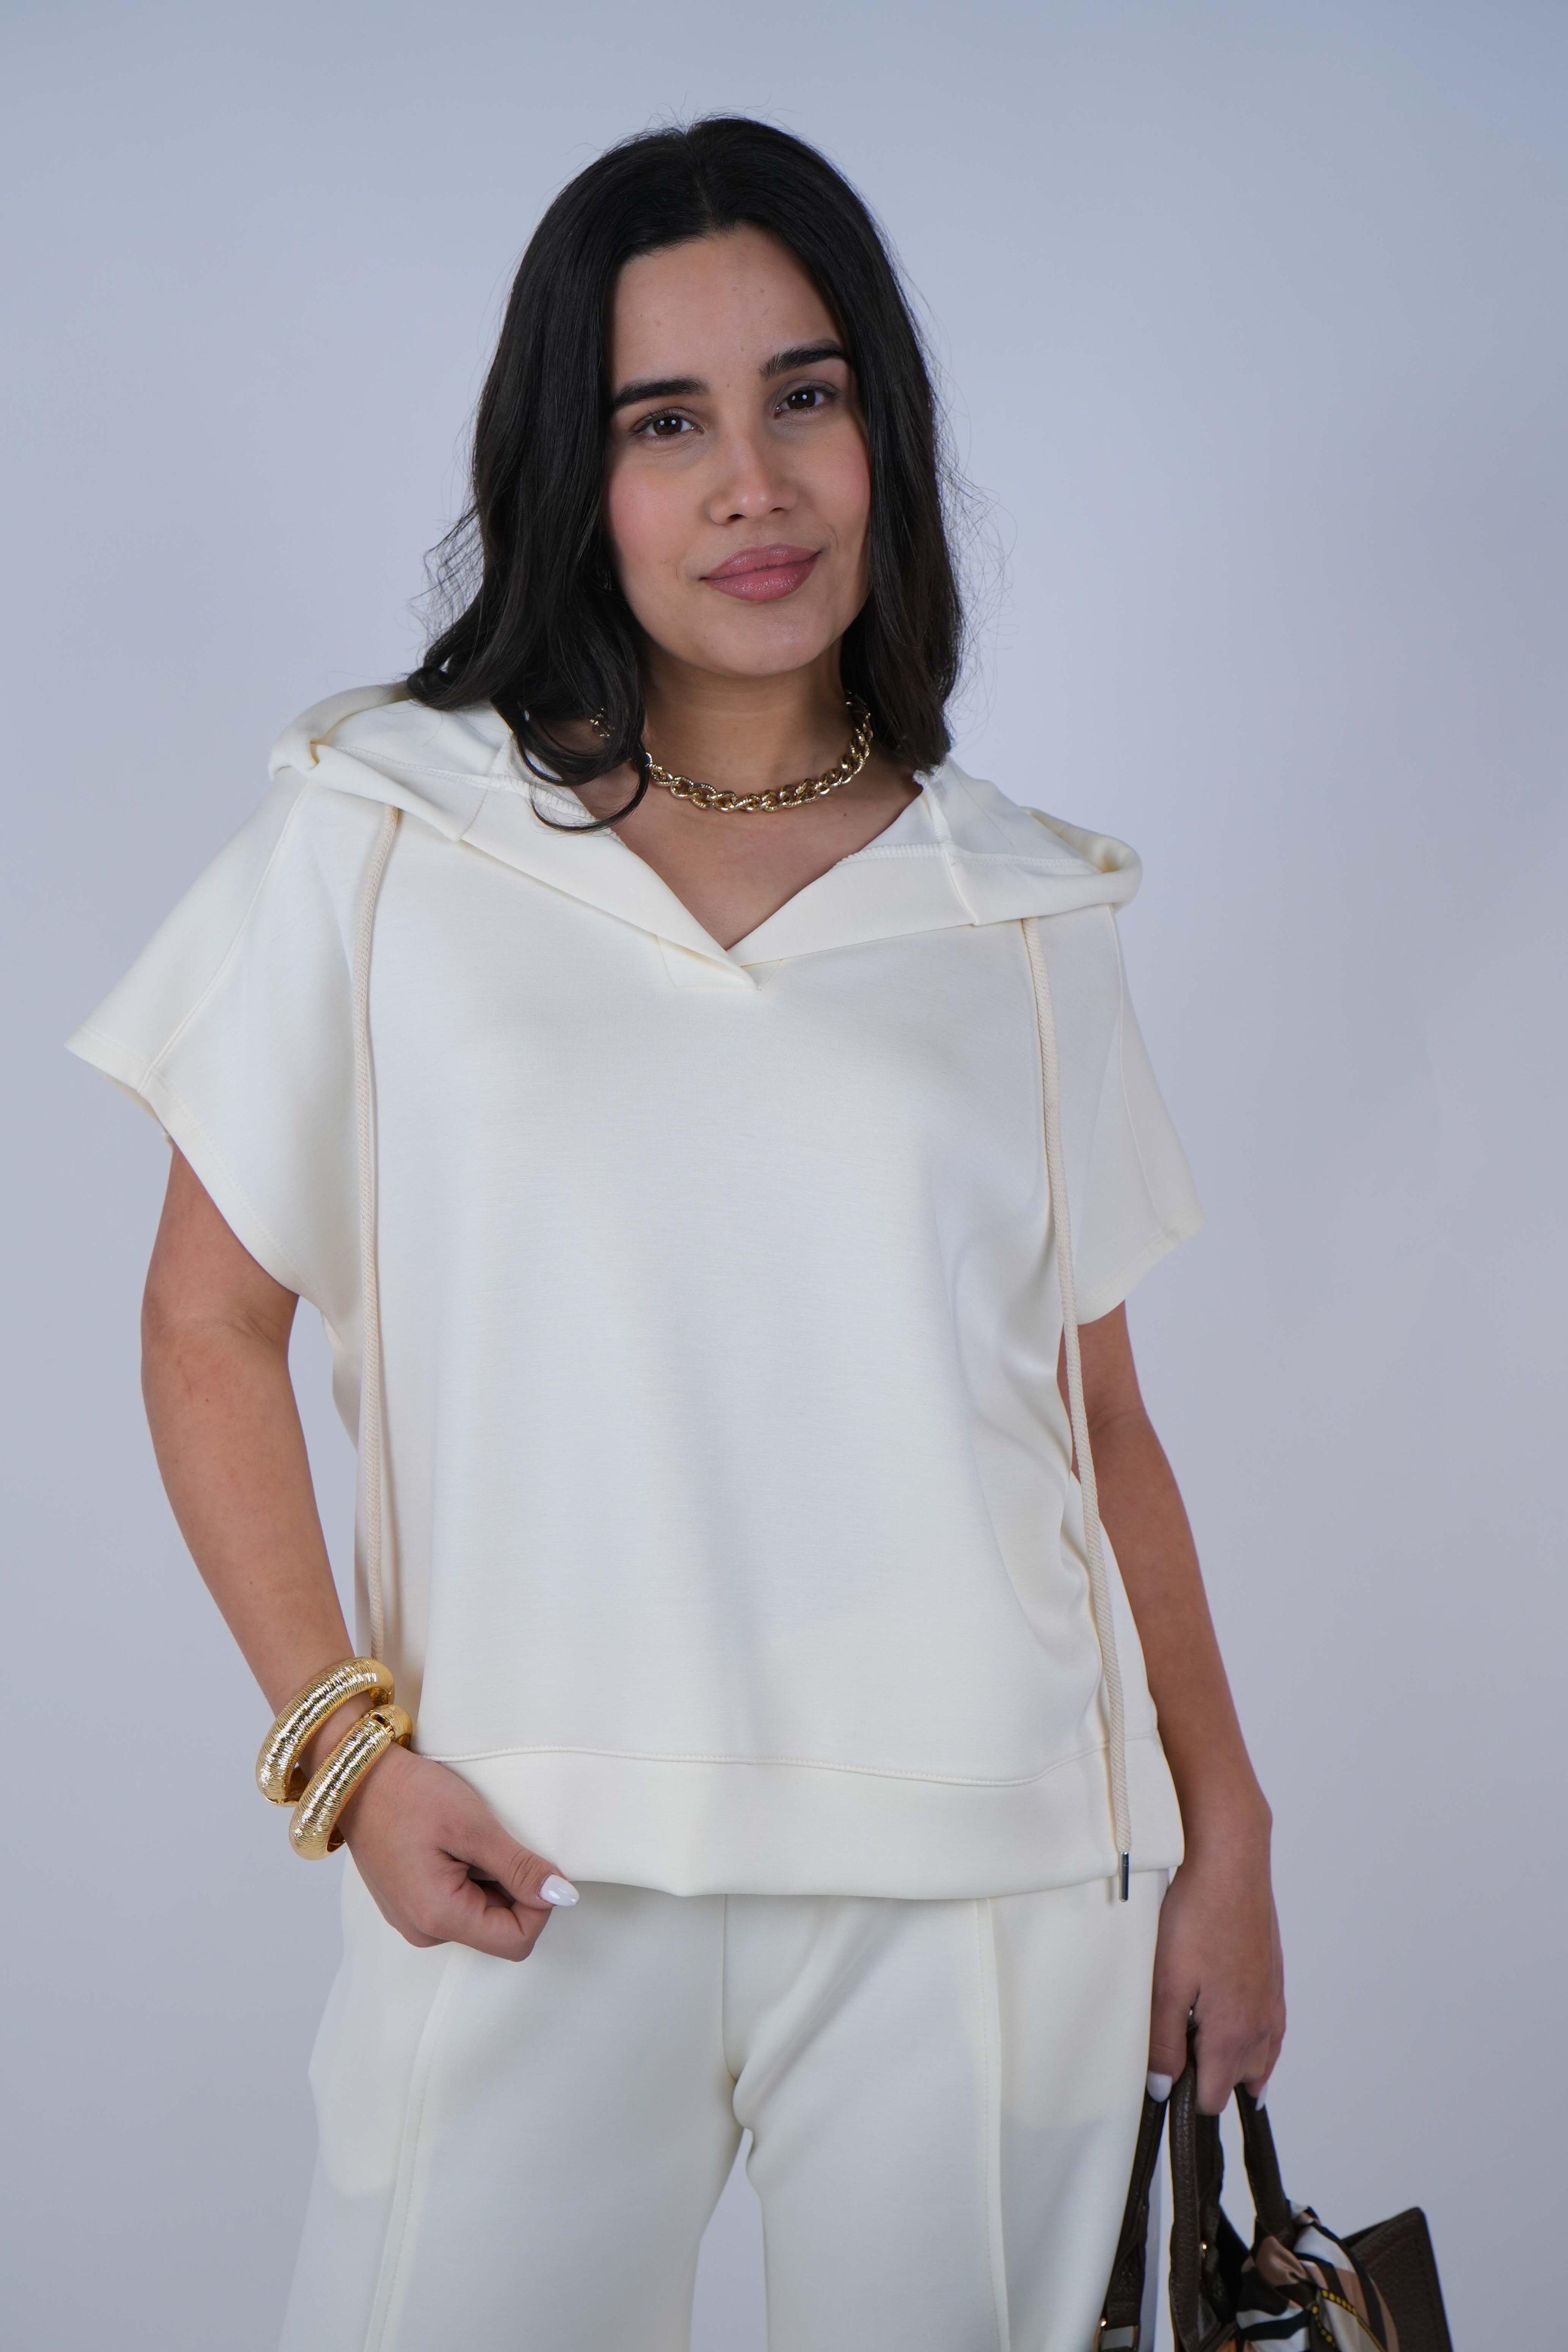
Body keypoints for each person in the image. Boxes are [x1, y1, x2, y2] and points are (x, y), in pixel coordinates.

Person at [69, 116, 1285, 2352]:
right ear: (576, 468)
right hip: (518, 1854)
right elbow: (203, 1325)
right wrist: (346, 1759)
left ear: (881, 431)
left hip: (986, 1875)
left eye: (805, 396)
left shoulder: (1018, 905)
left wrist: (1231, 1837)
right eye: (666, 422)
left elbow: (1097, 1420)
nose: (754, 482)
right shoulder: (384, 832)